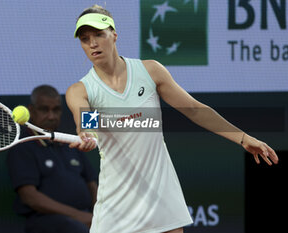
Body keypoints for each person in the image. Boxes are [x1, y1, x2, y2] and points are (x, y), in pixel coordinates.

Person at [65, 5, 279, 233]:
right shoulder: (81, 91)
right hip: (116, 204)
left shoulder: (150, 71)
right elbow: (86, 121)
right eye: (85, 39)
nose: (93, 44)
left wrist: (243, 138)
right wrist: (87, 134)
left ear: (114, 35)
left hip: (161, 196)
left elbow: (194, 110)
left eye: (99, 34)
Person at [7, 85, 98, 233]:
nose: (51, 116)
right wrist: (79, 216)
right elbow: (30, 196)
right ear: (31, 110)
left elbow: (92, 184)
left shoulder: (71, 143)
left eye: (56, 110)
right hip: (46, 221)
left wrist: (98, 215)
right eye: (44, 109)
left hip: (86, 217)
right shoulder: (23, 147)